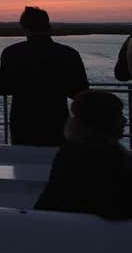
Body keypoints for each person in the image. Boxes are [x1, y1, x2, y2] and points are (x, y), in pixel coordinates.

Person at [0, 6, 88, 146]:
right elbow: (80, 91)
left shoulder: (11, 53)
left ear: (23, 27)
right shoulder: (68, 53)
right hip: (57, 120)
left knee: (23, 163)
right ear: (48, 26)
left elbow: (2, 88)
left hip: (23, 122)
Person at [35, 90, 132, 220]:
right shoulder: (107, 156)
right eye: (119, 115)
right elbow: (115, 205)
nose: (125, 120)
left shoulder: (70, 150)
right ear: (105, 120)